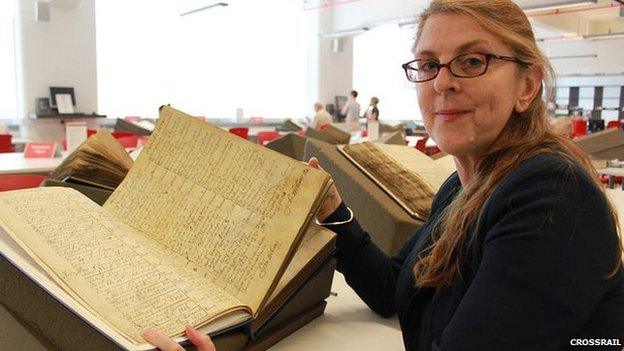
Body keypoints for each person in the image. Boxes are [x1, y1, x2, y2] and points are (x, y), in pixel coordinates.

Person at [143, 1, 624, 350]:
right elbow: (394, 289)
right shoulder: (464, 188)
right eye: (429, 64)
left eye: (473, 61)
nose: (443, 82)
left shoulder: (551, 197)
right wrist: (333, 210)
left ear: (526, 85)